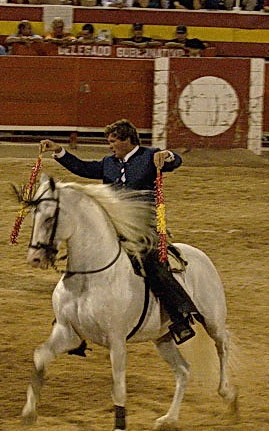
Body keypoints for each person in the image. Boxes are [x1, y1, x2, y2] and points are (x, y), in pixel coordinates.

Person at [39, 119, 196, 345]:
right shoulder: (108, 163)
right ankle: (70, 318)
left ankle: (180, 316)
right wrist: (59, 151)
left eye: (113, 141)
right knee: (82, 259)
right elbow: (83, 168)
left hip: (141, 228)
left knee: (153, 265)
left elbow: (174, 161)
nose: (110, 146)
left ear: (127, 140)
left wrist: (168, 155)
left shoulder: (149, 157)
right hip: (112, 226)